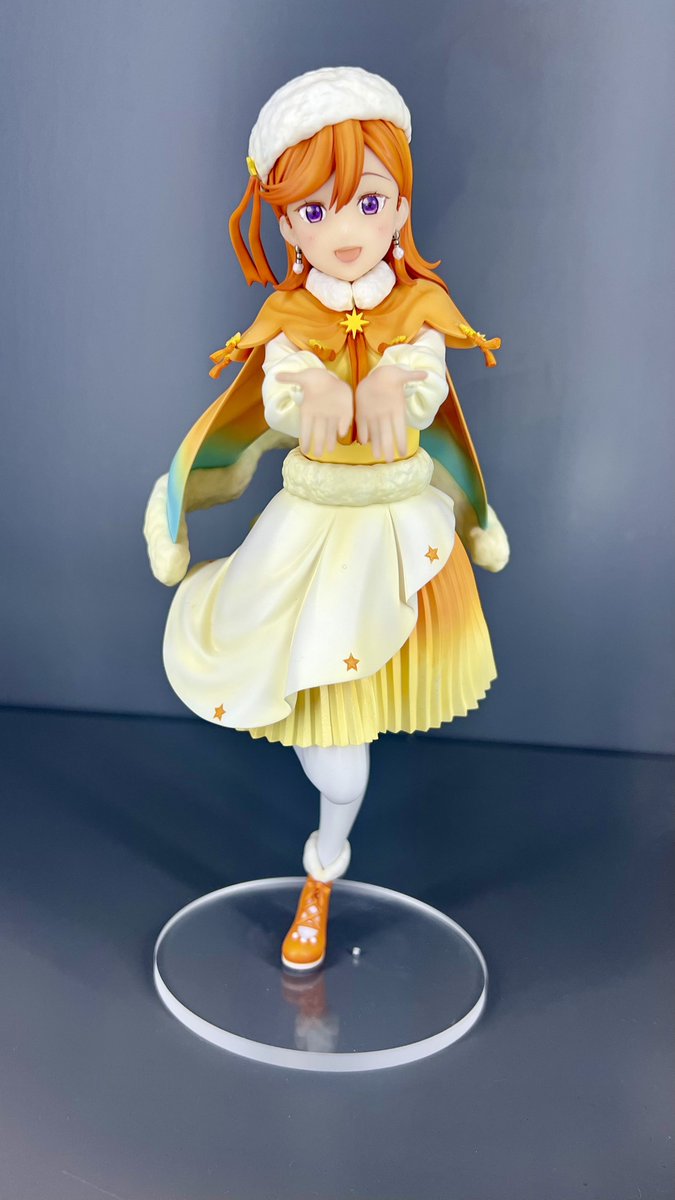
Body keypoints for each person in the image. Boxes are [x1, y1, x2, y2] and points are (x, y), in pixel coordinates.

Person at [144, 65, 509, 972]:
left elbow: (425, 387)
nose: (344, 231)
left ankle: (322, 869)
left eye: (366, 202)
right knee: (333, 754)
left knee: (346, 754)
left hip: (399, 542)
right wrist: (304, 384)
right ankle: (325, 856)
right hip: (311, 543)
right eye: (314, 209)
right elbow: (273, 396)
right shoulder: (288, 320)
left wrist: (396, 379)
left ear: (400, 207)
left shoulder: (418, 312)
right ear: (285, 224)